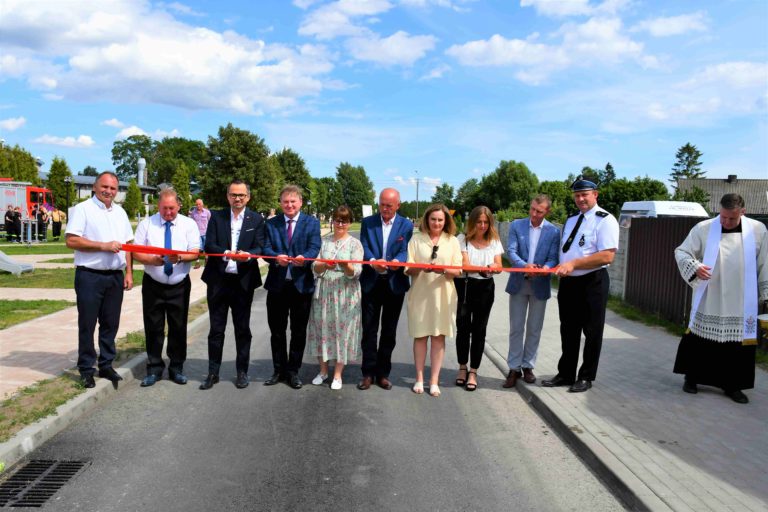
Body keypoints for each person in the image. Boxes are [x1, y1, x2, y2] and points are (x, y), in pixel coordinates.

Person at [673, 193, 768, 404]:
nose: (725, 222)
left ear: (743, 212)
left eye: (731, 218)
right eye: (723, 216)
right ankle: (692, 378)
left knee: (736, 346)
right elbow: (682, 252)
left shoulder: (758, 230)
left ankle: (733, 385)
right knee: (700, 340)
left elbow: (765, 263)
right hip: (710, 295)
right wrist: (695, 267)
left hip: (741, 298)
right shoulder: (704, 228)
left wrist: (766, 295)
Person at [543, 176, 619, 393]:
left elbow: (607, 256)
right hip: (569, 283)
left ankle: (586, 376)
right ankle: (566, 373)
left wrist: (574, 264)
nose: (580, 199)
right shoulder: (571, 220)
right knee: (568, 330)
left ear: (595, 194)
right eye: (577, 195)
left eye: (584, 194)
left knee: (592, 332)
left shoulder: (605, 220)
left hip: (592, 282)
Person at [65, 172, 134, 388]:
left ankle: (106, 365)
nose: (108, 191)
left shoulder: (120, 213)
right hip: (90, 276)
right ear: (95, 187)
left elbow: (128, 245)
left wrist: (129, 272)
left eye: (113, 188)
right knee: (87, 323)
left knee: (110, 324)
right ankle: (86, 368)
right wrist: (102, 246)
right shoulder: (83, 209)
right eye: (104, 187)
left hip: (114, 277)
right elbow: (71, 240)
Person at [199, 180, 265, 390]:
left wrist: (249, 255)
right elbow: (209, 244)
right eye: (233, 195)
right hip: (218, 281)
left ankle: (242, 372)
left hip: (243, 282)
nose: (237, 198)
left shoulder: (256, 219)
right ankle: (213, 373)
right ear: (227, 196)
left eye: (241, 195)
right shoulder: (217, 217)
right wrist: (226, 253)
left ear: (248, 197)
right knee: (216, 329)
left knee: (242, 329)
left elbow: (260, 246)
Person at [132, 187, 200, 387]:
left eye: (172, 208)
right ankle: (154, 368)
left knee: (178, 327)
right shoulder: (146, 224)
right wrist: (151, 260)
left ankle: (176, 368)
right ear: (158, 206)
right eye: (164, 208)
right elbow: (136, 252)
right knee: (153, 327)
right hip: (153, 284)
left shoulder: (189, 224)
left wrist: (180, 257)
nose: (168, 212)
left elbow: (195, 252)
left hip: (179, 285)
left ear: (179, 205)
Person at [262, 185, 321, 389]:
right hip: (277, 286)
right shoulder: (272, 223)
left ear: (300, 202)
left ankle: (293, 371)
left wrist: (305, 258)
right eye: (285, 201)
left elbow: (315, 247)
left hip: (301, 286)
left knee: (298, 332)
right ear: (280, 203)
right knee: (277, 331)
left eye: (293, 201)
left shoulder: (312, 223)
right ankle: (279, 370)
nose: (289, 205)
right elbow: (265, 248)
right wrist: (275, 257)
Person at [358, 188, 413, 390]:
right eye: (382, 204)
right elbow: (364, 246)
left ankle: (383, 373)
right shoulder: (368, 222)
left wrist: (397, 261)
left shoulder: (406, 225)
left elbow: (405, 249)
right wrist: (373, 261)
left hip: (394, 284)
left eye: (389, 205)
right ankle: (367, 373)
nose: (385, 208)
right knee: (369, 330)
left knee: (389, 332)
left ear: (398, 205)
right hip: (371, 282)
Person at [404, 204, 462, 397]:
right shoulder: (416, 239)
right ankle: (419, 378)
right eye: (433, 219)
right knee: (420, 336)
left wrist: (443, 270)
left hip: (443, 296)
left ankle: (434, 381)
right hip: (420, 295)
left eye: (440, 220)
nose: (436, 223)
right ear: (427, 220)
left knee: (438, 337)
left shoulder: (452, 240)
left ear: (446, 221)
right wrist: (421, 267)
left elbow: (458, 270)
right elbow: (408, 268)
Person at [504, 195, 560, 388]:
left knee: (534, 328)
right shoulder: (516, 225)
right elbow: (511, 251)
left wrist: (545, 268)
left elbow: (553, 257)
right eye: (532, 209)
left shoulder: (553, 231)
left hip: (540, 284)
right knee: (516, 328)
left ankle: (528, 366)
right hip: (519, 282)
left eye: (539, 211)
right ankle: (514, 368)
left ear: (547, 212)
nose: (534, 214)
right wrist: (524, 266)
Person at [307, 205, 364, 390]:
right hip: (325, 291)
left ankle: (338, 374)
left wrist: (346, 265)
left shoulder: (355, 244)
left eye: (344, 221)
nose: (340, 224)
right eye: (338, 220)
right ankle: (323, 371)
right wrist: (325, 265)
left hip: (345, 293)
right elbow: (314, 267)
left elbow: (356, 272)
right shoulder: (324, 242)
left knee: (342, 332)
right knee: (322, 330)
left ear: (350, 223)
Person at [453, 206, 504, 391]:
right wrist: (483, 268)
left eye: (486, 222)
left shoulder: (494, 241)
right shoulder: (462, 239)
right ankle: (462, 367)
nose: (482, 226)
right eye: (479, 222)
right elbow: (464, 265)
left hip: (485, 288)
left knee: (480, 330)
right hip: (465, 287)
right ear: (472, 222)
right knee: (463, 329)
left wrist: (493, 267)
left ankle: (473, 371)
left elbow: (499, 266)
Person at [189, 198, 211, 269]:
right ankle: (197, 262)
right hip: (197, 234)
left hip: (205, 233)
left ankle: (206, 261)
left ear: (202, 204)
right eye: (197, 204)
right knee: (198, 248)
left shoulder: (207, 212)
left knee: (206, 248)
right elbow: (191, 223)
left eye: (199, 204)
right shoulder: (193, 213)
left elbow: (210, 222)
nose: (198, 205)